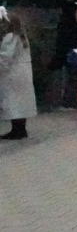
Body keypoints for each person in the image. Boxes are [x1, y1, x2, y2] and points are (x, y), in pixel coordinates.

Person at [0, 8, 37, 140]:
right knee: (22, 103)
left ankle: (17, 131)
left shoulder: (10, 37)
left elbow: (5, 57)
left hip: (13, 74)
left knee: (13, 103)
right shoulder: (22, 36)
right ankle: (21, 129)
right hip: (23, 73)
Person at [49, 1, 77, 109]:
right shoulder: (72, 23)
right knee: (74, 77)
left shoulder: (62, 22)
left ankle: (59, 101)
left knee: (62, 77)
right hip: (71, 52)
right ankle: (69, 100)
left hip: (61, 52)